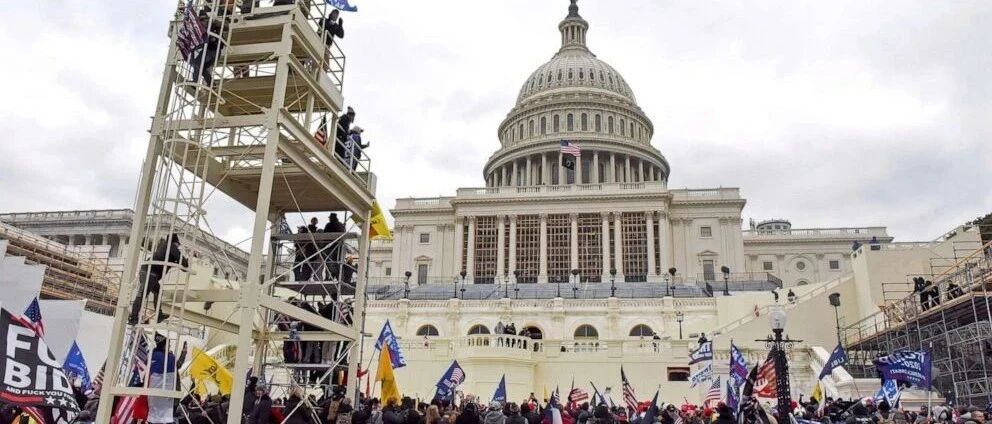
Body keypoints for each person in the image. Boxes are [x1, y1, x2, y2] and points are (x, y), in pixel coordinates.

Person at [129, 233, 189, 325]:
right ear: (175, 242)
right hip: (150, 273)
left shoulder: (164, 248)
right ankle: (133, 318)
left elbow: (182, 265)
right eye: (178, 244)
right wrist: (183, 261)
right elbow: (184, 263)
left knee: (157, 291)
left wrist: (179, 262)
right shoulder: (171, 247)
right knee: (142, 294)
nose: (178, 247)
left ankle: (158, 314)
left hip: (147, 272)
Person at [324, 213, 347, 279]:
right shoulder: (340, 225)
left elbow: (325, 234)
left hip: (332, 247)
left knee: (330, 263)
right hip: (337, 246)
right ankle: (338, 277)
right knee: (337, 263)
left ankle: (333, 276)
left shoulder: (329, 225)